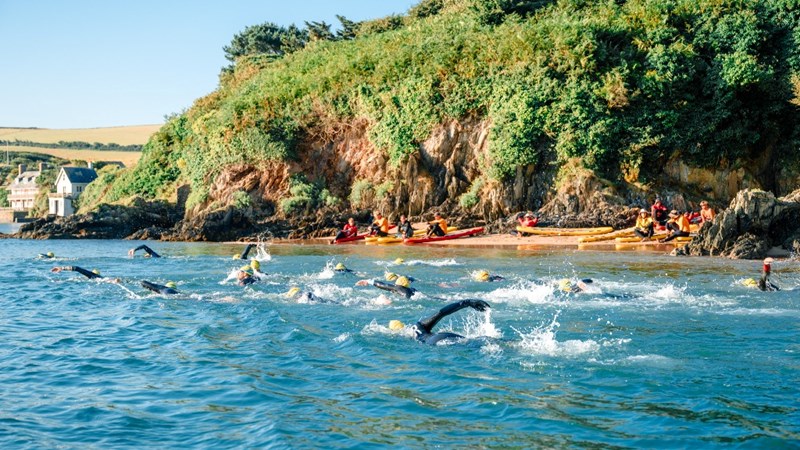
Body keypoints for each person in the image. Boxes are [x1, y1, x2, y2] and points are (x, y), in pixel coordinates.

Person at [389, 299, 491, 345]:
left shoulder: (405, 336)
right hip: (442, 335)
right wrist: (467, 302)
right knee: (481, 341)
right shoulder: (419, 325)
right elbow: (441, 313)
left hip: (433, 342)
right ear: (403, 325)